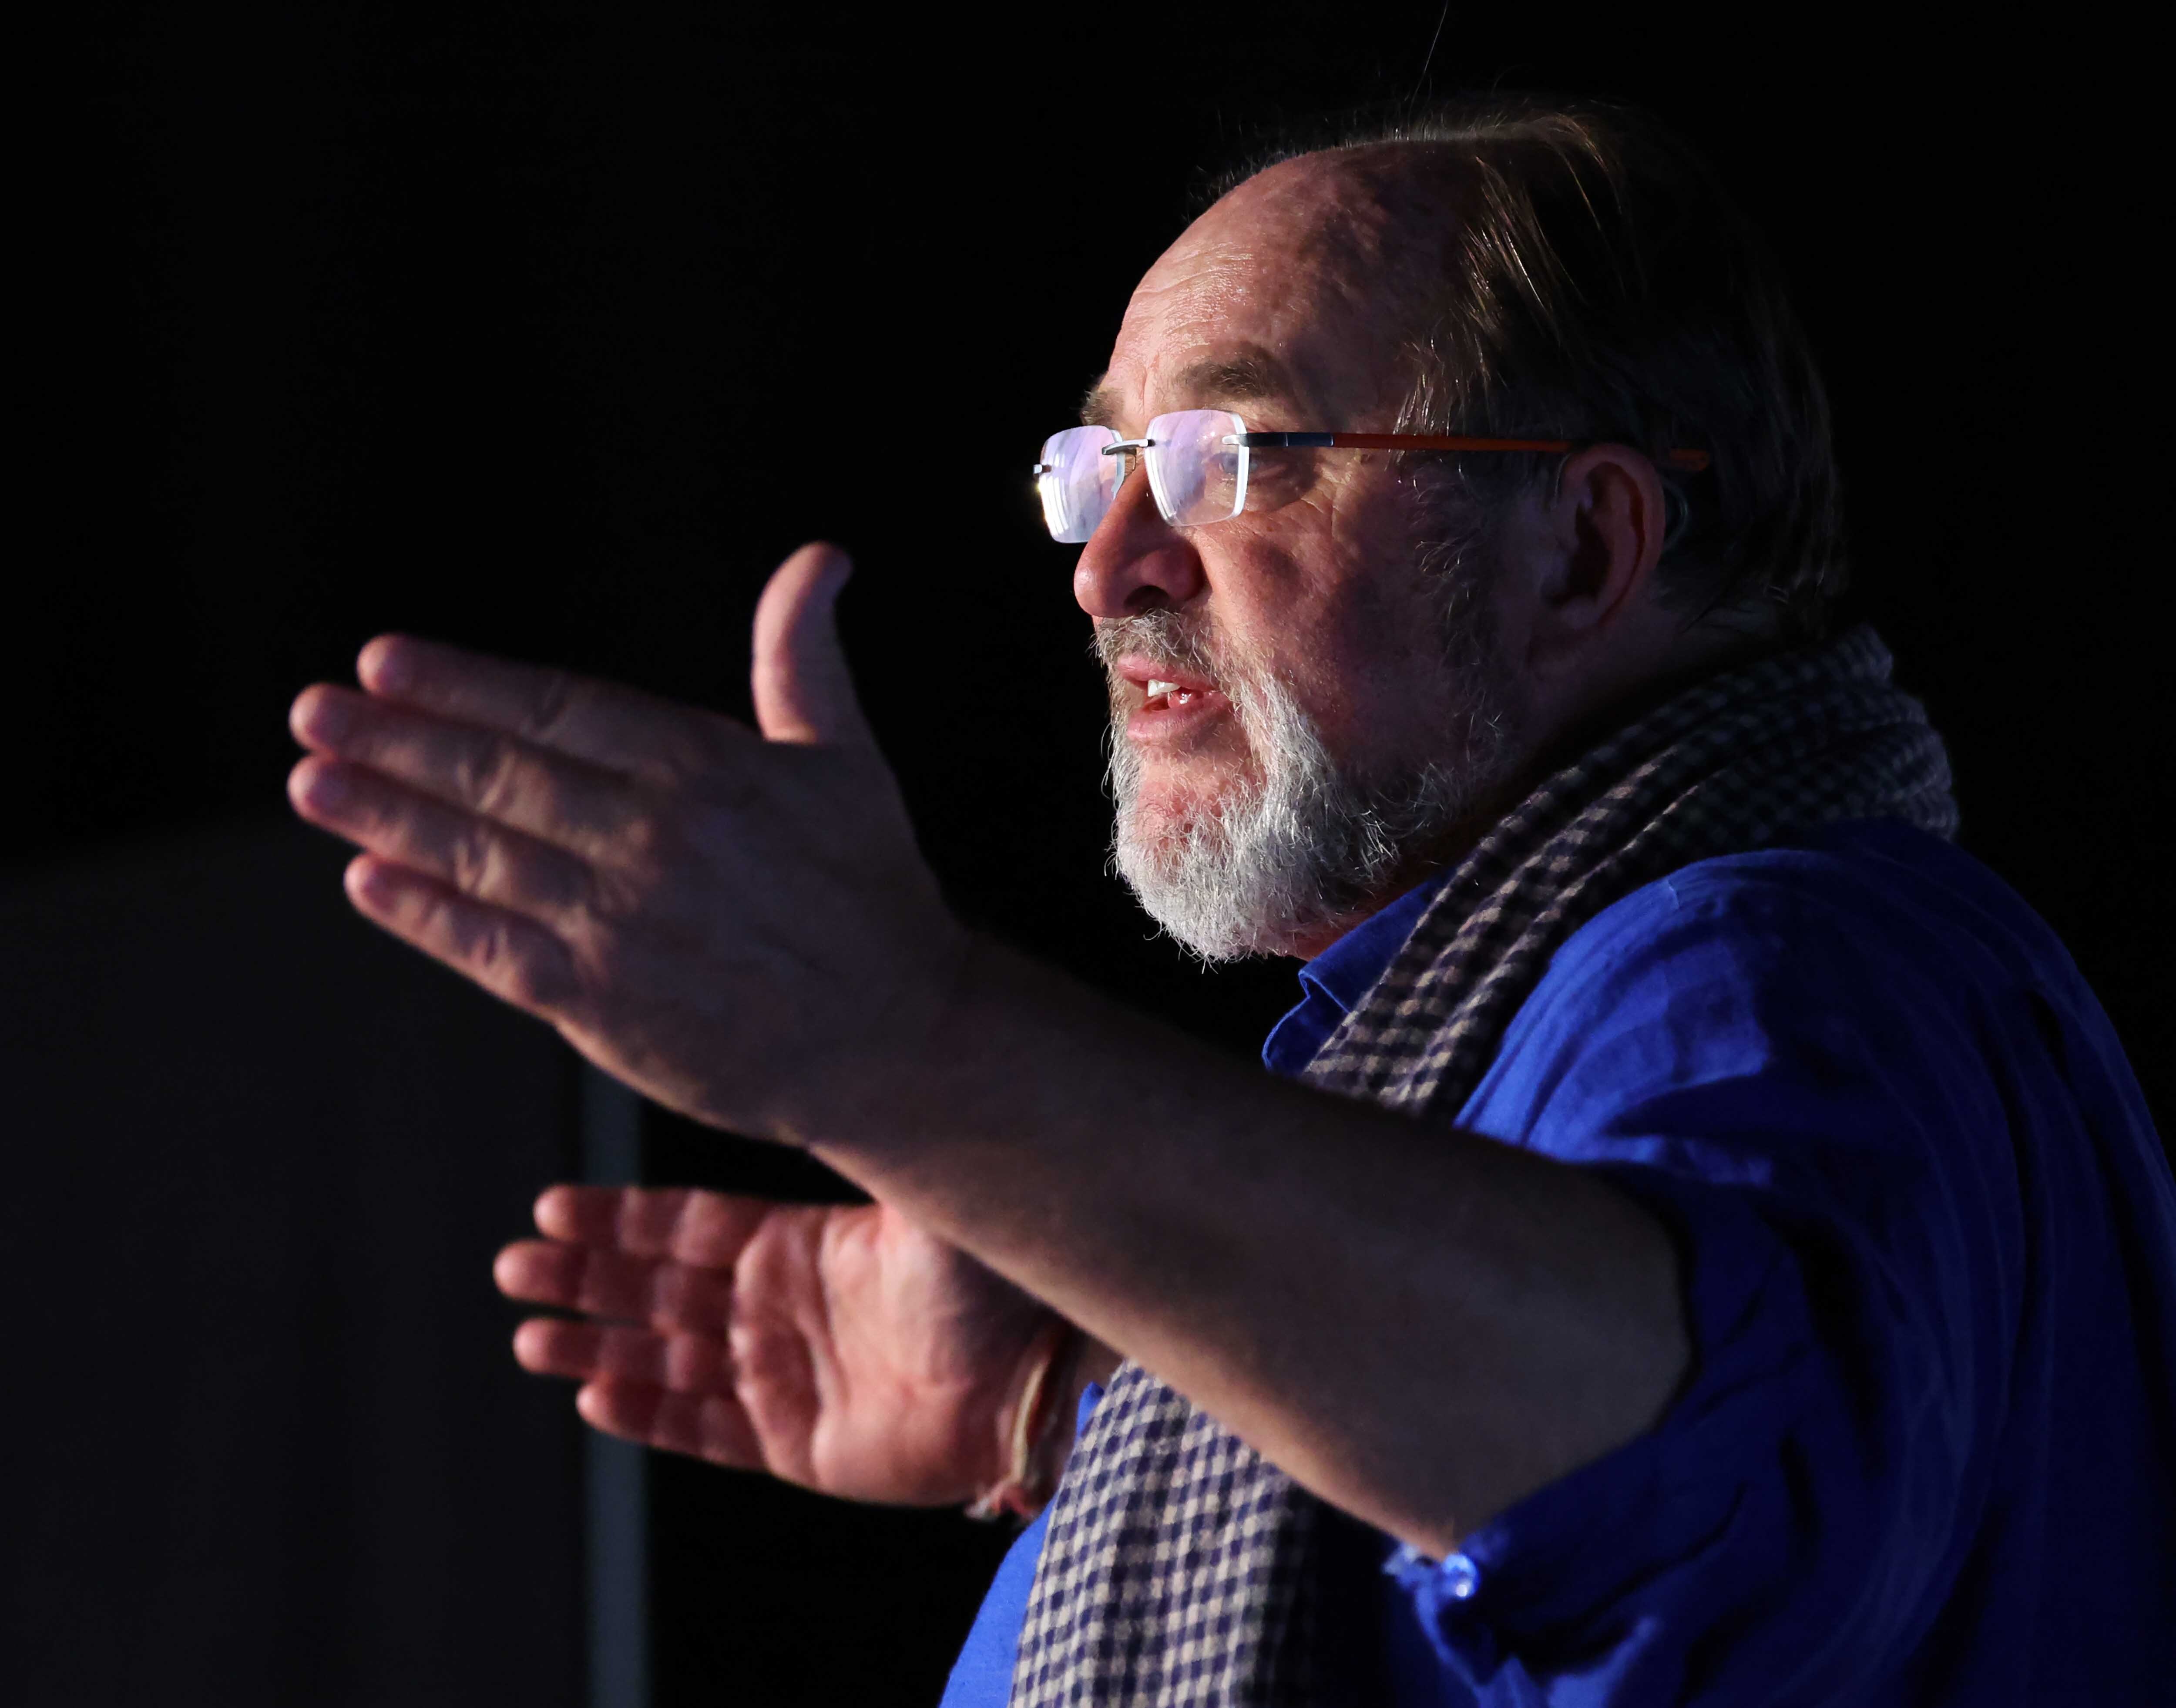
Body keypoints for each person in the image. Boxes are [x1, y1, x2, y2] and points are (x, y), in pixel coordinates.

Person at [285, 98, 2175, 1705]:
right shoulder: (1464, 1059)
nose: (1107, 566)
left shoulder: (1774, 959)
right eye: (1094, 464)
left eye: (1226, 457)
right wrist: (1069, 1407)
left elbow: (1686, 1470)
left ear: (1582, 548)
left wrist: (914, 1048)